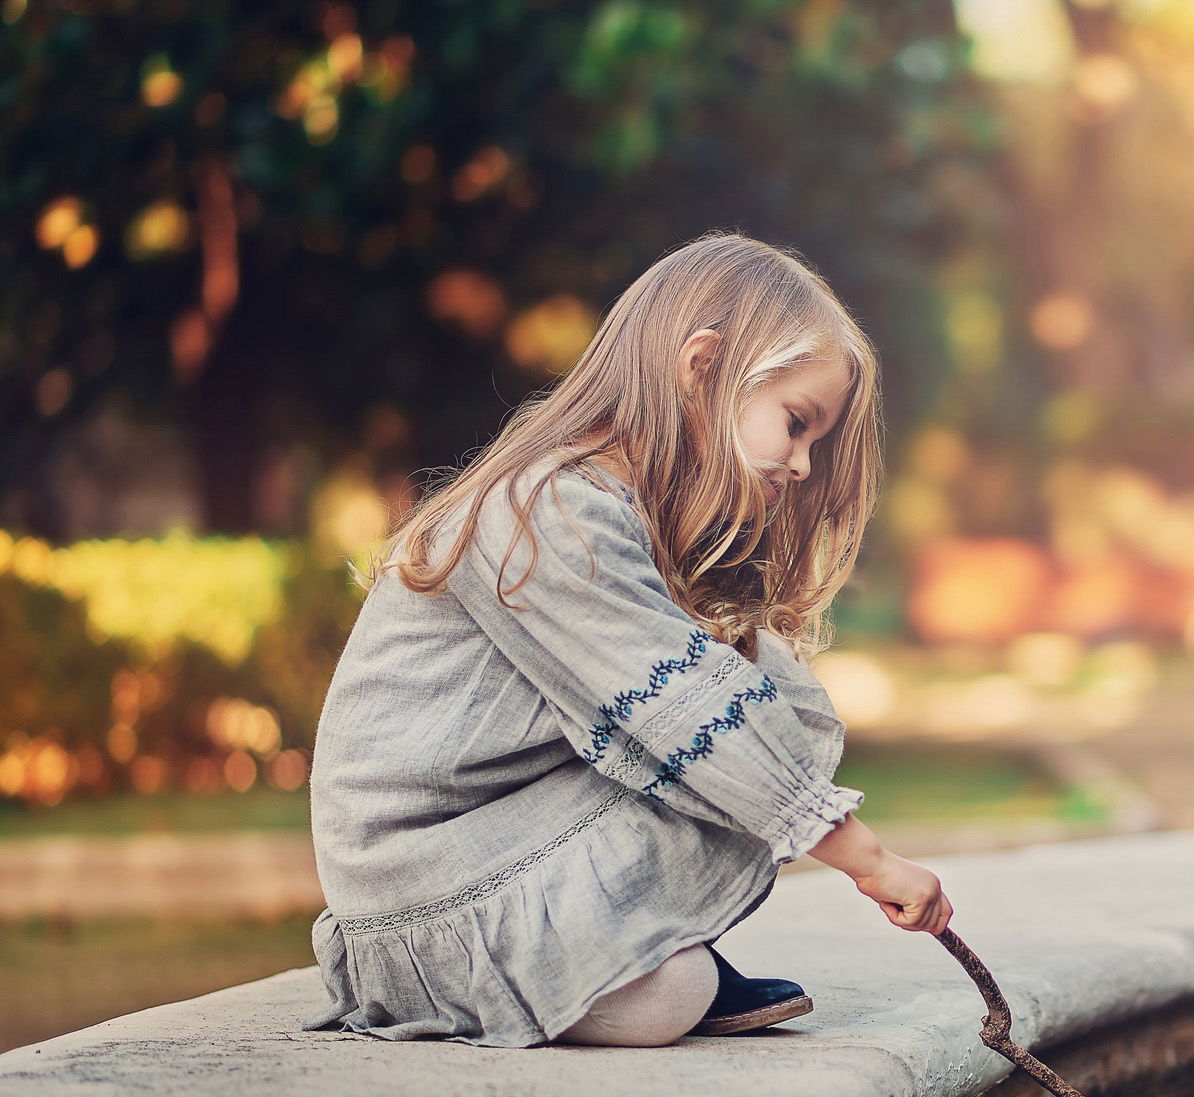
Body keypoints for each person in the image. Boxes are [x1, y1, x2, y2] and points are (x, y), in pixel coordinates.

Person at [301, 231, 953, 1049]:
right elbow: (686, 715)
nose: (801, 464)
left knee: (769, 685)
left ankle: (628, 947)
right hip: (427, 901)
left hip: (492, 852)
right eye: (796, 424)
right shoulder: (546, 514)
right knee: (676, 973)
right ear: (702, 369)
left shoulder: (607, 509)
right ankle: (621, 955)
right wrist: (870, 860)